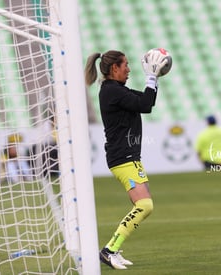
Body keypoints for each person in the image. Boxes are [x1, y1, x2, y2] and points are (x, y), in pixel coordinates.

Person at [84, 50, 168, 269]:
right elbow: (145, 105)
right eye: (126, 65)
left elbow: (146, 101)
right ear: (115, 68)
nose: (129, 69)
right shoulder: (112, 91)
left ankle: (112, 249)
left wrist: (155, 78)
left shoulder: (116, 90)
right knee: (145, 205)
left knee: (141, 205)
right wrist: (151, 77)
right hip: (123, 158)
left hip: (128, 157)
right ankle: (108, 250)